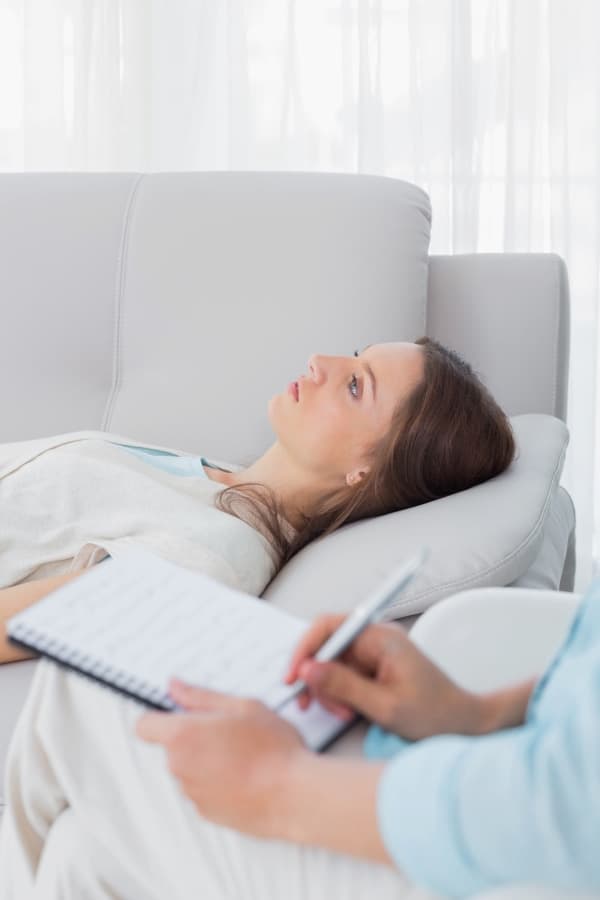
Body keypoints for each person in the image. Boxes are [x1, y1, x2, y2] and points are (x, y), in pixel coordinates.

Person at [0, 338, 521, 897]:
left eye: (355, 385)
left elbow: (34, 623)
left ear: (367, 470)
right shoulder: (216, 479)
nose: (321, 362)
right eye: (353, 356)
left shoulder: (214, 552)